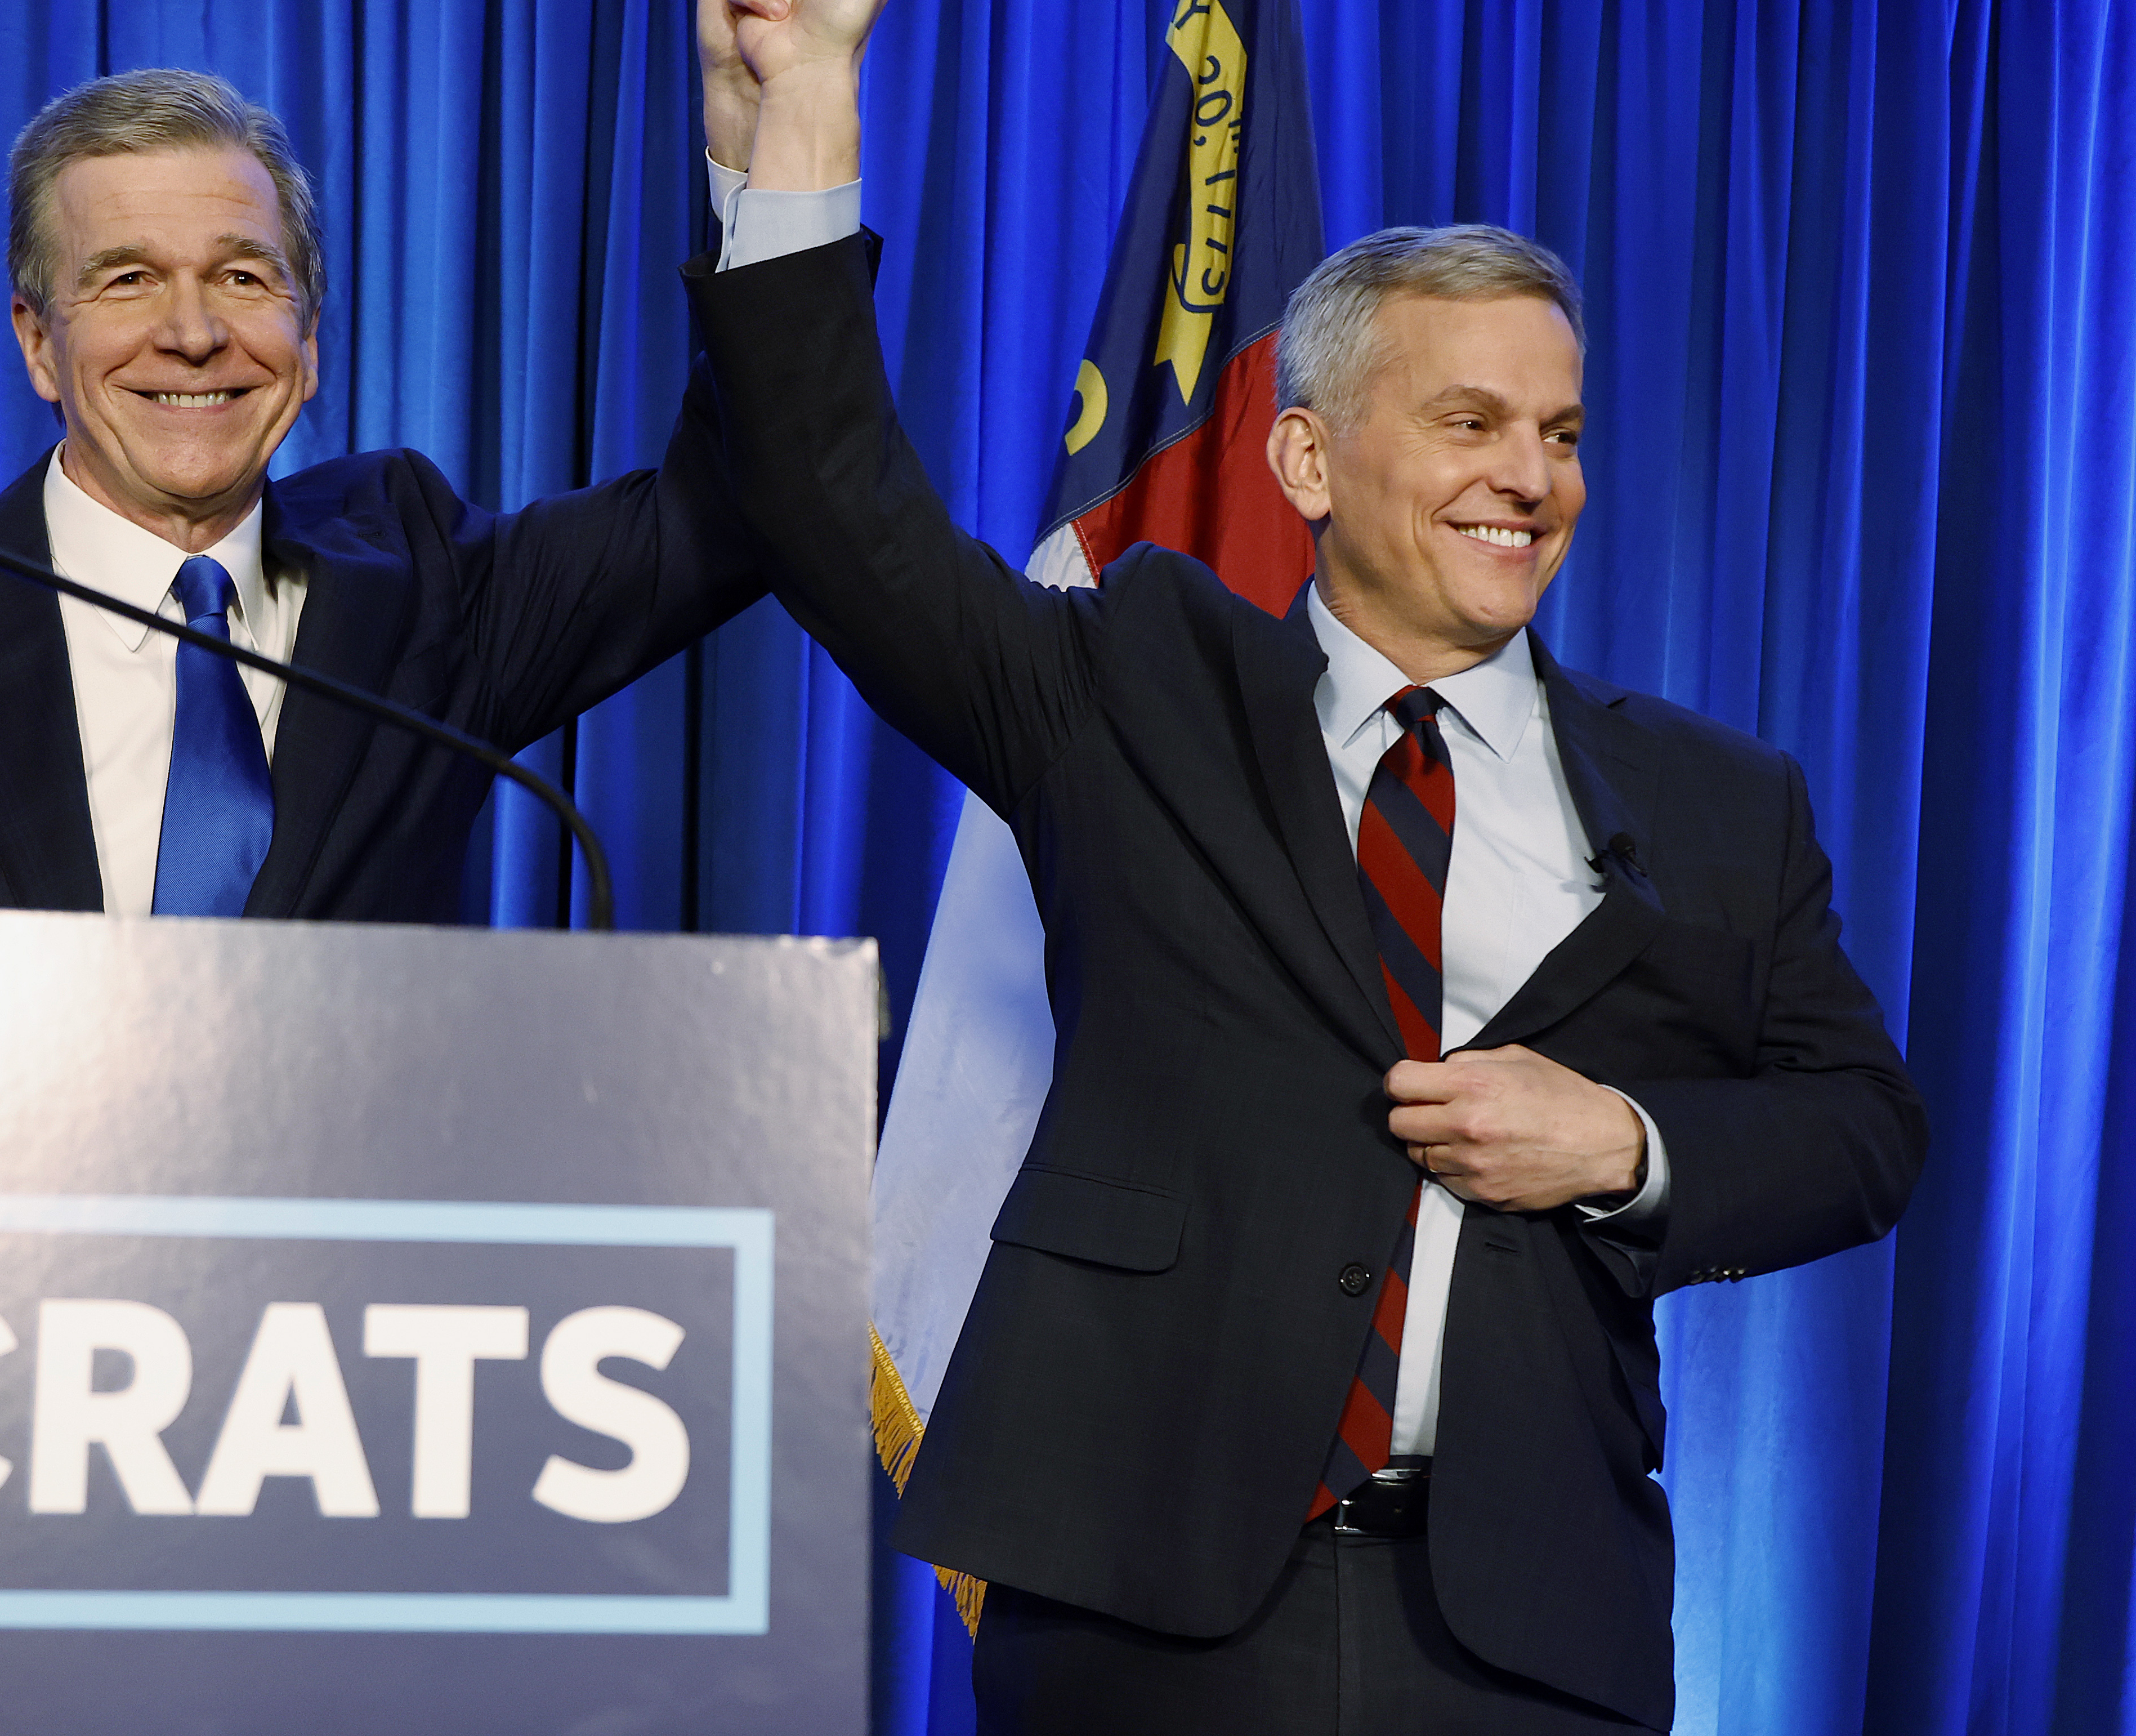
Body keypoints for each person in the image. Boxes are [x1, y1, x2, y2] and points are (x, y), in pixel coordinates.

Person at [691, 2, 1927, 1730]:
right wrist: (802, 101)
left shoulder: (1724, 798)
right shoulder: (1133, 686)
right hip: (1145, 1599)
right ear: (1304, 455)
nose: (1528, 477)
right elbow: (833, 503)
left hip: (1525, 1623)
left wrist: (1625, 1140)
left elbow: (1864, 1124)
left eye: (1560, 433)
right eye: (1473, 422)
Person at [0, 67, 778, 922]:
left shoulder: (433, 589)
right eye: (127, 280)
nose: (192, 333)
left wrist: (772, 137)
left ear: (307, 338)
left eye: (241, 276)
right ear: (37, 343)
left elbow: (750, 500)